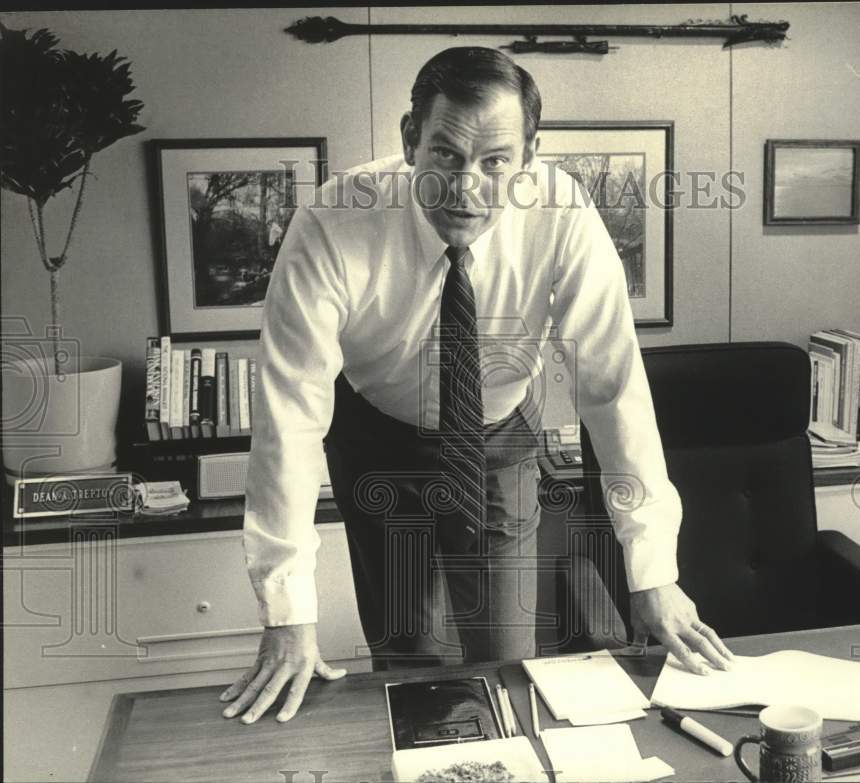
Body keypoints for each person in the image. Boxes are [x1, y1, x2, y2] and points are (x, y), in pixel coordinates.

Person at [221, 46, 733, 725]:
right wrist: (287, 613)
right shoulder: (332, 224)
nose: (467, 187)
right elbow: (288, 419)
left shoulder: (564, 215)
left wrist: (653, 570)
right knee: (413, 657)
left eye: (495, 161)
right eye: (446, 156)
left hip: (497, 434)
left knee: (509, 655)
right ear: (410, 141)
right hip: (377, 434)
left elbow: (612, 393)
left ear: (529, 155)